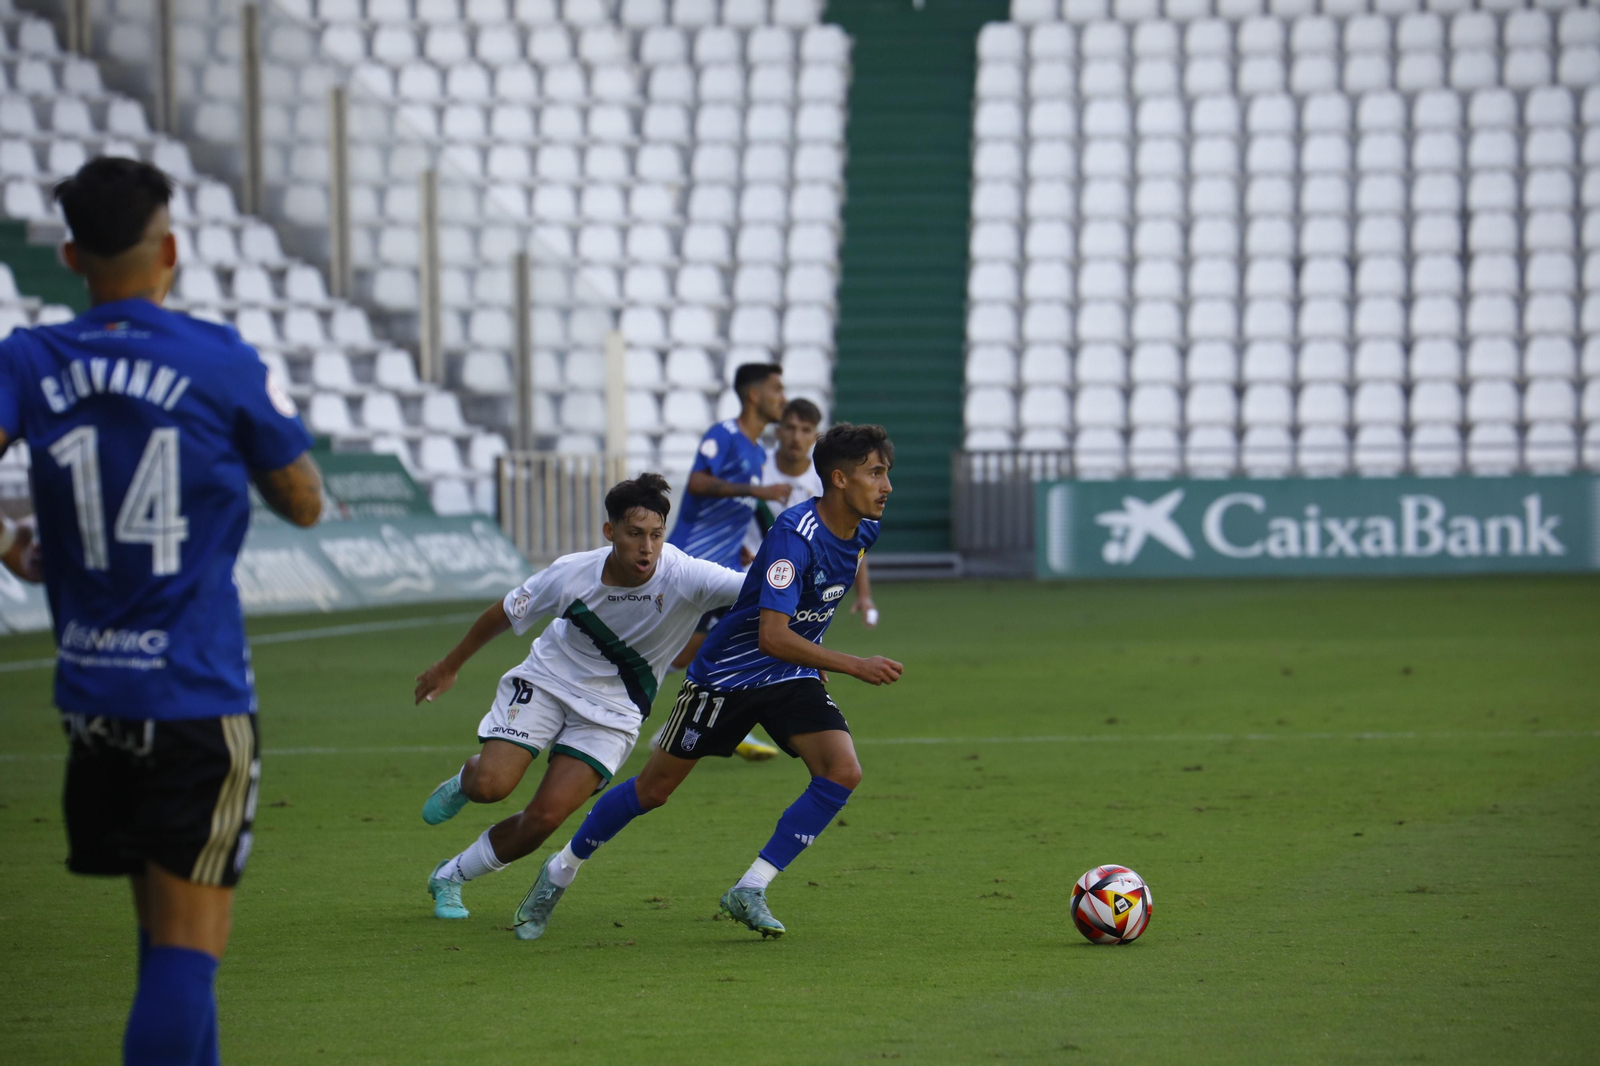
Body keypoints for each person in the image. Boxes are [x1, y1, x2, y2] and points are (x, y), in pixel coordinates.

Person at [0, 157, 323, 1064]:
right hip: (193, 696)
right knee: (188, 950)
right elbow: (304, 501)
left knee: (160, 937)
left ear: (71, 256)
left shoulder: (29, 359)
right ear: (169, 250)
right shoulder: (217, 356)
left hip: (92, 697)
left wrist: (14, 544)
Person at [512, 424, 902, 942]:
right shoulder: (794, 537)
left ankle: (751, 887)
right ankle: (560, 870)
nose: (886, 486)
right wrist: (851, 663)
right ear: (839, 479)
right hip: (726, 678)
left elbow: (815, 601)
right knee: (653, 791)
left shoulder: (864, 531)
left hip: (788, 674)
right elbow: (771, 635)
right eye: (875, 473)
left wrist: (814, 649)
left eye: (886, 474)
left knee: (842, 771)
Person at [412, 473, 746, 935]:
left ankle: (450, 876)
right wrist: (449, 666)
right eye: (634, 534)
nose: (647, 548)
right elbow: (504, 612)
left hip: (614, 711)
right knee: (491, 786)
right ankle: (467, 780)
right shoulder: (571, 574)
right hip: (549, 681)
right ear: (610, 531)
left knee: (544, 819)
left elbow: (766, 590)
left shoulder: (688, 576)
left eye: (656, 535)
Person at [666, 361, 792, 760]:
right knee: (679, 652)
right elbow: (698, 482)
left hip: (721, 570)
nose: (783, 398)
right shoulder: (724, 434)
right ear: (754, 395)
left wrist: (739, 544)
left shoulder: (756, 451)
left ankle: (723, 727)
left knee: (725, 644)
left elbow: (733, 508)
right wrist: (758, 492)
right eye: (777, 389)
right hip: (689, 563)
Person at [741, 397, 879, 629]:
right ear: (778, 431)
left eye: (805, 430)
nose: (796, 437)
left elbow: (851, 538)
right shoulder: (755, 469)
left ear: (815, 436)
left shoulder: (825, 481)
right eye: (790, 428)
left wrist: (864, 595)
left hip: (802, 587)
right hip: (746, 577)